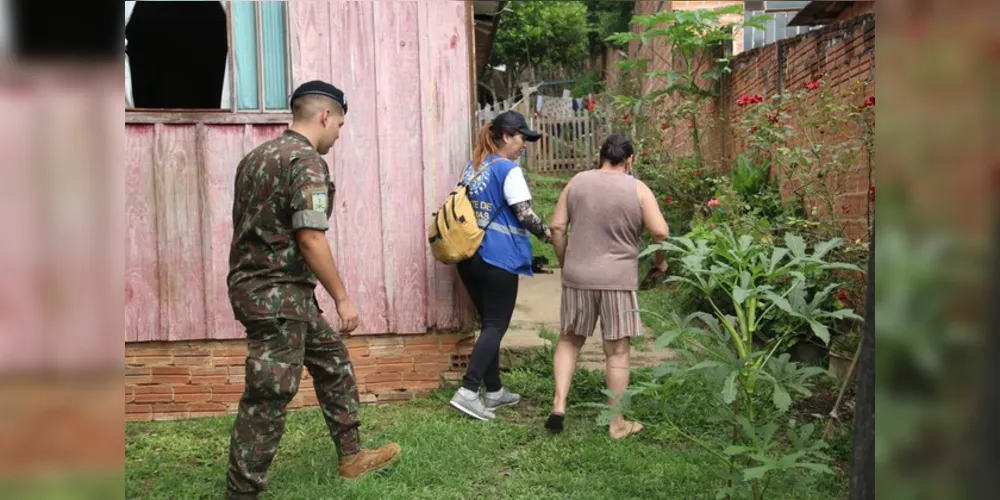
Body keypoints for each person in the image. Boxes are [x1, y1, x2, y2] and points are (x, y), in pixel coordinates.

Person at [225, 80, 400, 498]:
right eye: (339, 124)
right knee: (269, 393)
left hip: (275, 291)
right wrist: (342, 298)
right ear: (325, 115)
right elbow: (310, 237)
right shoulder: (305, 161)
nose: (338, 133)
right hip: (276, 294)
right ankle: (243, 492)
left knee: (332, 362)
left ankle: (352, 454)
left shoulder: (255, 158)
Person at [545, 134, 670, 439]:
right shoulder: (638, 188)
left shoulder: (577, 182)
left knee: (570, 340)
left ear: (600, 157)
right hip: (617, 280)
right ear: (631, 160)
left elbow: (557, 227)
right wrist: (660, 263)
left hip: (578, 276)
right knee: (616, 351)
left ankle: (559, 405)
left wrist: (565, 261)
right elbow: (660, 232)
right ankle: (616, 423)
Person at [448, 110, 553, 421]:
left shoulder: (475, 166)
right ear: (507, 136)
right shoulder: (508, 169)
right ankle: (468, 391)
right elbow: (524, 214)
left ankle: (493, 392)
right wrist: (548, 234)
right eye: (522, 138)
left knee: (488, 324)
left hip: (468, 256)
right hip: (498, 258)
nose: (524, 145)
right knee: (496, 325)